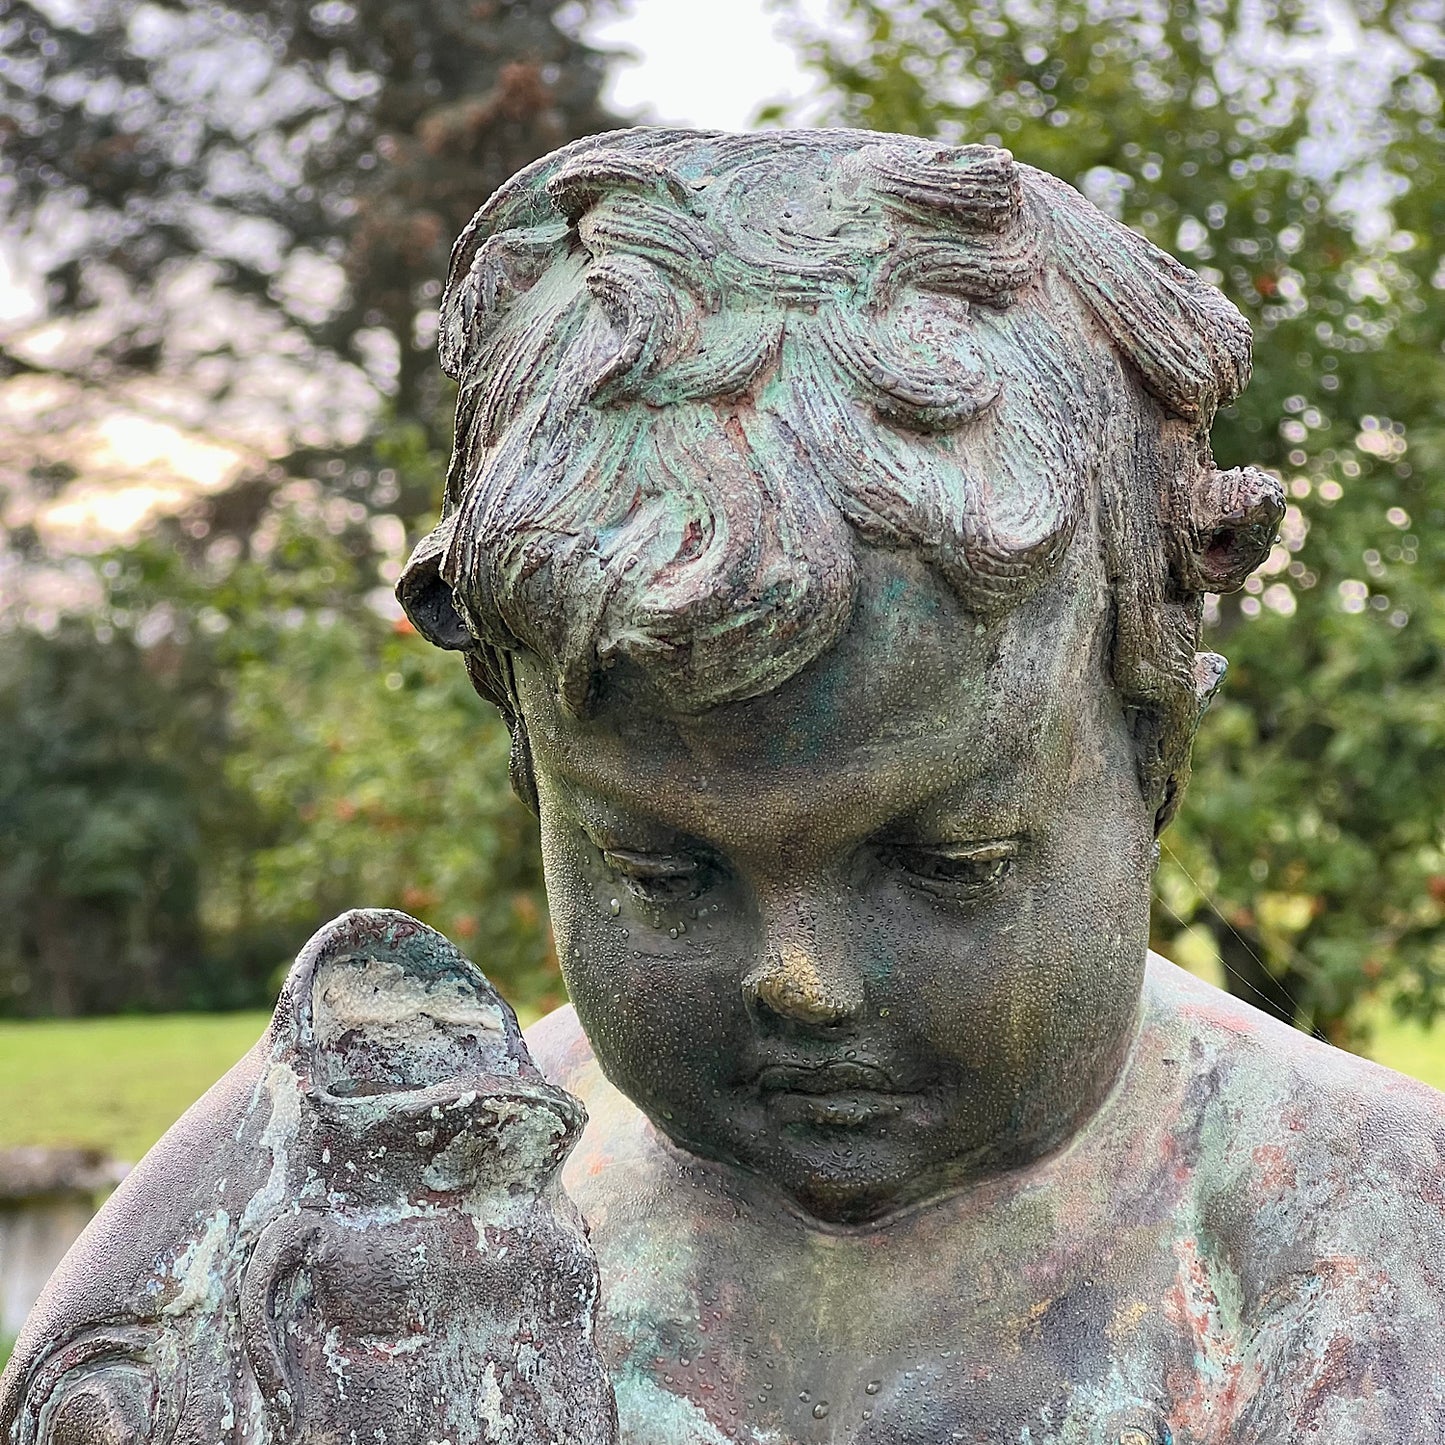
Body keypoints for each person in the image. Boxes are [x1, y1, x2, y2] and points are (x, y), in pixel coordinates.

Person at [398, 128, 1445, 1443]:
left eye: (948, 861)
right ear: (530, 771)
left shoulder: (1386, 1276)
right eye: (661, 873)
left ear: (1148, 751)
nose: (805, 982)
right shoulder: (351, 1254)